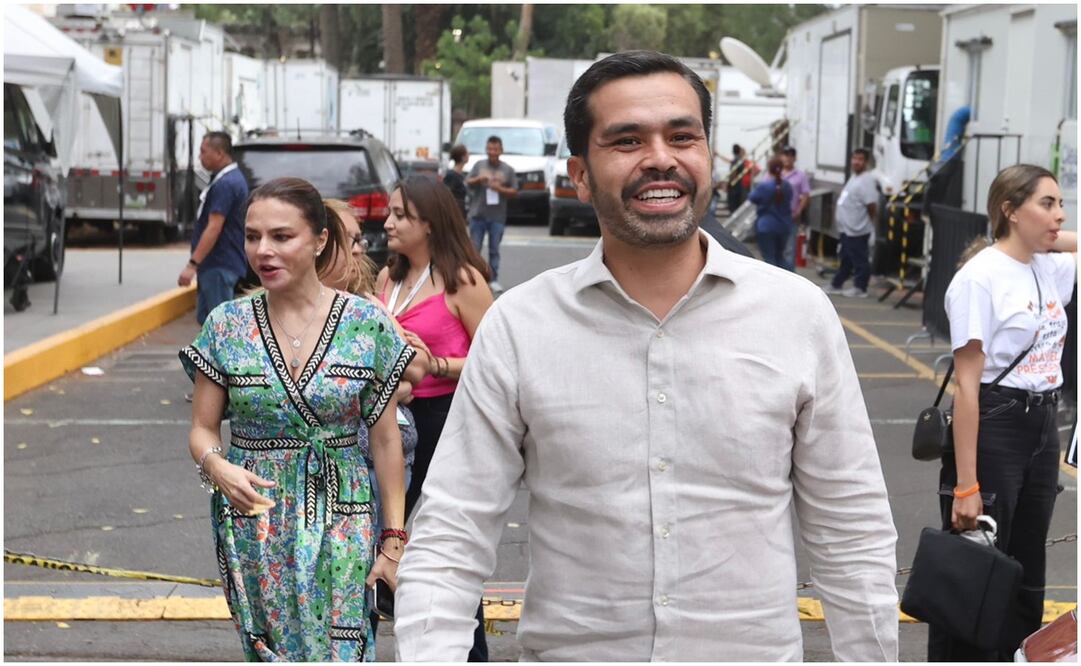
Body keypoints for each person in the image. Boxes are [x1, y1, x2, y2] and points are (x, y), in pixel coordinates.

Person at [394, 50, 898, 662]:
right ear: (579, 175)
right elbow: (451, 536)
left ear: (707, 155)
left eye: (682, 136)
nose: (661, 157)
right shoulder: (521, 326)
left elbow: (851, 532)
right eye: (627, 140)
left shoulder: (797, 315)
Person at [180, 177, 414, 661]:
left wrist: (393, 542)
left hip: (343, 507)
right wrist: (217, 467)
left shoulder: (363, 324)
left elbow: (387, 441)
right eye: (252, 236)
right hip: (255, 516)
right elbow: (202, 429)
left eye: (281, 237)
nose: (263, 250)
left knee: (342, 648)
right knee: (271, 650)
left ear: (320, 240)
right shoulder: (226, 324)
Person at [932, 164, 1077, 661]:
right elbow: (967, 389)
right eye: (1047, 204)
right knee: (977, 573)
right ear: (1010, 210)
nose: (1059, 215)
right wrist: (967, 486)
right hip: (997, 423)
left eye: (1061, 204)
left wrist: (1049, 238)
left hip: (1042, 425)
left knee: (1026, 570)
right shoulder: (978, 279)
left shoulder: (1047, 267)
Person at [375, 175, 495, 661]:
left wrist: (437, 364)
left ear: (430, 221)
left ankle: (470, 653)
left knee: (441, 553)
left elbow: (494, 358)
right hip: (389, 425)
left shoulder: (463, 279)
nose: (388, 222)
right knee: (390, 544)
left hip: (442, 422)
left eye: (401, 214)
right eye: (389, 212)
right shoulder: (389, 277)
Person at [178, 132, 250, 324]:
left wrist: (192, 265)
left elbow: (214, 227)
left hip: (220, 265)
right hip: (216, 265)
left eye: (203, 152)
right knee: (207, 322)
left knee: (220, 327)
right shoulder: (226, 179)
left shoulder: (226, 184)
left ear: (219, 153)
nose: (200, 157)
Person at [465, 136, 517, 293]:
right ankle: (473, 278)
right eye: (489, 149)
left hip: (497, 216)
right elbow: (467, 182)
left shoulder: (508, 169)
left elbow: (514, 191)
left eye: (495, 149)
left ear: (501, 150)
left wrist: (499, 189)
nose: (492, 152)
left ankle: (493, 280)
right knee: (475, 249)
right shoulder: (479, 165)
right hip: (478, 214)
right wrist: (478, 179)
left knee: (494, 249)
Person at [825, 148, 879, 298]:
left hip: (858, 229)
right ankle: (836, 284)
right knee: (846, 258)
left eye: (860, 159)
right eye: (854, 158)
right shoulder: (854, 177)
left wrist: (869, 224)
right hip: (847, 228)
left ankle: (860, 287)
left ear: (866, 162)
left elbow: (871, 205)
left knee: (860, 259)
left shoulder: (867, 180)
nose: (856, 162)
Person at [747, 156, 794, 269]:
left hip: (766, 226)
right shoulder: (787, 186)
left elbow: (752, 198)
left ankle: (772, 284)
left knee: (769, 259)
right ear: (782, 169)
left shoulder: (764, 186)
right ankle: (792, 281)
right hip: (784, 226)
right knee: (780, 257)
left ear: (769, 169)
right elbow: (791, 197)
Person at [780, 146, 812, 271]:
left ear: (794, 158)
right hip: (774, 218)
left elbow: (806, 194)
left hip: (790, 217)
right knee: (776, 250)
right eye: (785, 155)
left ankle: (789, 279)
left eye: (790, 155)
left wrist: (799, 211)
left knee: (789, 249)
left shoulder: (800, 175)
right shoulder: (775, 173)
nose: (788, 158)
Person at [443, 144, 469, 220]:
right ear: (462, 157)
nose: (469, 156)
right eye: (467, 153)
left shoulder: (461, 175)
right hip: (453, 214)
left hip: (460, 213)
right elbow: (447, 195)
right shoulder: (451, 175)